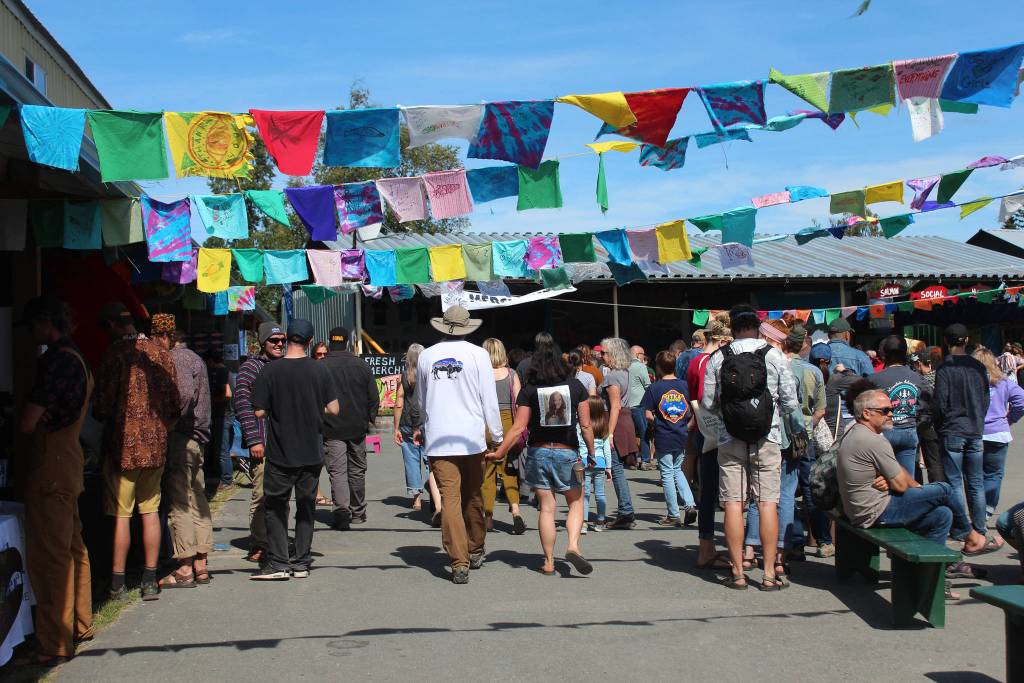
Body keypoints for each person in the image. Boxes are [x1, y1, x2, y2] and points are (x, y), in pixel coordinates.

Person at [16, 297, 93, 665]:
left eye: (33, 326)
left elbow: (28, 421)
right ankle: (80, 622)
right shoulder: (76, 357)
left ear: (47, 323)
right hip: (70, 460)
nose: (31, 334)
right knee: (73, 546)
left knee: (50, 556)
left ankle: (55, 641)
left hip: (50, 464)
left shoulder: (56, 362)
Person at [703, 304, 799, 591]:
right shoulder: (775, 356)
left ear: (732, 329)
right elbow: (790, 401)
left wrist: (729, 413)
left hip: (729, 436)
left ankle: (737, 573)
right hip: (767, 436)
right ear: (758, 328)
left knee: (734, 503)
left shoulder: (718, 357)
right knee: (767, 502)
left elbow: (709, 402)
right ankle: (769, 573)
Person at [837, 389, 990, 562]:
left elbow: (895, 474)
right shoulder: (873, 441)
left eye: (892, 409)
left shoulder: (854, 431)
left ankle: (934, 573)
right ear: (866, 413)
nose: (891, 414)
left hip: (861, 510)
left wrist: (890, 478)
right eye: (885, 411)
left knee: (943, 515)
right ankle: (971, 538)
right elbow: (901, 485)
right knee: (945, 490)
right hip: (876, 511)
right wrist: (892, 478)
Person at [93, 303, 180, 601]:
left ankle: (117, 584)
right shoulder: (159, 353)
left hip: (122, 448)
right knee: (150, 512)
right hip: (155, 447)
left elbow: (101, 406)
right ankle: (150, 579)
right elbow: (174, 402)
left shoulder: (114, 355)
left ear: (114, 326)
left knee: (120, 515)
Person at [489, 340, 596, 576]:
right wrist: (592, 452)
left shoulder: (529, 390)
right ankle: (573, 546)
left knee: (547, 508)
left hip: (538, 451)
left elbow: (518, 428)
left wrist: (499, 452)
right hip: (567, 451)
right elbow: (587, 425)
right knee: (575, 502)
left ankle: (548, 562)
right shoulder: (575, 386)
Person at [415, 306, 504, 584]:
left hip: (439, 437)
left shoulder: (426, 356)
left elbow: (421, 398)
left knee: (450, 498)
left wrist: (423, 424)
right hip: (471, 437)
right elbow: (489, 399)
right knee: (473, 494)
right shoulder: (478, 355)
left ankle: (458, 560)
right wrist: (498, 435)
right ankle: (475, 547)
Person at [250, 319, 339, 580]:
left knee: (276, 507)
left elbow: (258, 410)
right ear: (310, 342)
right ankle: (301, 561)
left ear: (287, 337)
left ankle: (278, 562)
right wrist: (314, 407)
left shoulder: (270, 371)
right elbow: (334, 409)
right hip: (311, 451)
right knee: (306, 506)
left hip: (280, 451)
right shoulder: (320, 370)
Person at [742, 318, 811, 580]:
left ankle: (750, 549)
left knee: (755, 494)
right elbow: (793, 406)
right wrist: (799, 433)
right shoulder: (787, 364)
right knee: (783, 496)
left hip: (754, 434)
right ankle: (780, 554)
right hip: (782, 437)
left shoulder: (750, 360)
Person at [150, 317, 214, 589]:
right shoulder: (194, 357)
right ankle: (200, 562)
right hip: (196, 437)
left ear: (164, 336)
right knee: (196, 496)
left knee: (180, 500)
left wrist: (169, 421)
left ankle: (185, 566)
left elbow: (184, 396)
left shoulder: (177, 359)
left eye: (154, 339)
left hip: (182, 437)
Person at [934, 323, 992, 547]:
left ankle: (962, 529)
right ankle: (980, 527)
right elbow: (985, 399)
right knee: (976, 481)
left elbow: (940, 402)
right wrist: (978, 419)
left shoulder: (944, 368)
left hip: (953, 429)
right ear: (967, 340)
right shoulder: (978, 367)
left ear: (946, 341)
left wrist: (940, 425)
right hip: (975, 429)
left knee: (955, 482)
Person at [233, 322, 286, 564]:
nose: (279, 344)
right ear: (263, 343)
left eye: (282, 340)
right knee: (262, 495)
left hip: (285, 444)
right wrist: (254, 440)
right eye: (274, 341)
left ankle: (278, 541)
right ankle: (260, 542)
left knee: (282, 497)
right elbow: (243, 405)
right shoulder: (250, 368)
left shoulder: (286, 366)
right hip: (263, 443)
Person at [321, 327, 379, 530]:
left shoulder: (322, 366)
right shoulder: (361, 365)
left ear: (329, 342)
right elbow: (374, 397)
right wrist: (368, 420)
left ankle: (342, 512)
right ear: (347, 342)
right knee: (357, 471)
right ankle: (358, 511)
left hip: (331, 427)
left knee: (337, 471)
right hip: (357, 427)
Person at [687, 313, 732, 569]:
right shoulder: (718, 362)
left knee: (707, 492)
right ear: (724, 339)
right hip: (722, 430)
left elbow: (694, 398)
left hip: (704, 430)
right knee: (728, 494)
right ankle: (731, 548)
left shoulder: (695, 363)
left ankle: (707, 546)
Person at [973, 347, 1024, 543]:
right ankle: (986, 513)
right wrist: (1010, 418)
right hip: (998, 434)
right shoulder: (1003, 382)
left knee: (974, 476)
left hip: (974, 433)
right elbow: (1021, 401)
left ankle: (976, 514)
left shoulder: (971, 382)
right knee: (993, 474)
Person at [641, 351, 696, 526]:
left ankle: (673, 514)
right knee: (677, 469)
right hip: (681, 433)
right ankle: (689, 504)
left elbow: (647, 413)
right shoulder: (685, 386)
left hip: (664, 434)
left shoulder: (654, 388)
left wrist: (658, 422)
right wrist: (686, 427)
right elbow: (694, 411)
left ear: (658, 367)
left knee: (666, 473)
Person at [480, 338, 526, 534]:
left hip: (486, 424)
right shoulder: (511, 374)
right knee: (508, 469)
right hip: (508, 422)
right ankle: (516, 511)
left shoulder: (480, 375)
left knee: (488, 472)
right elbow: (519, 401)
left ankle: (488, 518)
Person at [394, 343, 442, 521]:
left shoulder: (404, 377)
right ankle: (435, 495)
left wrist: (396, 428)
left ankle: (416, 500)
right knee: (430, 461)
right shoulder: (429, 376)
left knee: (411, 461)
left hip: (407, 423)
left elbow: (399, 402)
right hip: (426, 422)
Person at [872, 335, 925, 478]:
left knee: (884, 480)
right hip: (909, 430)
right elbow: (928, 407)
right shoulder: (918, 378)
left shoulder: (875, 379)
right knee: (907, 479)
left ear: (885, 354)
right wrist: (915, 422)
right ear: (905, 353)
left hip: (884, 432)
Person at [599, 337, 638, 529]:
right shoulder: (624, 373)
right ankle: (625, 510)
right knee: (616, 467)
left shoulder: (613, 376)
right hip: (624, 419)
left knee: (615, 467)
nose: (601, 356)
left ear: (613, 354)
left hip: (616, 422)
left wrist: (610, 434)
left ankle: (625, 510)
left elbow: (614, 406)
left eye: (604, 352)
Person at [578, 396, 612, 532]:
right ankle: (600, 521)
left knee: (584, 494)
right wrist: (608, 467)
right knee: (600, 494)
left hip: (585, 462)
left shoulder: (581, 425)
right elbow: (607, 450)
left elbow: (579, 445)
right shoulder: (604, 427)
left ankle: (584, 522)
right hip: (601, 463)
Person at [911, 351, 944, 484]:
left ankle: (917, 489)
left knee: (914, 459)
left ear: (919, 364)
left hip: (921, 421)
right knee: (935, 461)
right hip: (936, 423)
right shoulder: (940, 376)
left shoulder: (918, 380)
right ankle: (937, 491)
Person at [627, 345, 653, 469]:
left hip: (627, 405)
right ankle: (645, 460)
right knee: (644, 433)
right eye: (642, 354)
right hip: (639, 404)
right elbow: (648, 385)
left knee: (631, 434)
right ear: (638, 355)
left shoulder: (625, 366)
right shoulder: (641, 366)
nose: (644, 356)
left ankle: (632, 461)